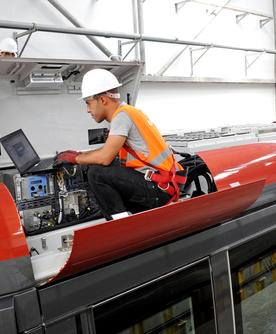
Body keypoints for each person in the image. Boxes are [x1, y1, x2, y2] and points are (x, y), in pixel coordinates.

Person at [55, 69, 186, 220]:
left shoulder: (121, 117)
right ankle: (122, 216)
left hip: (160, 188)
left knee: (96, 173)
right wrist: (80, 155)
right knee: (102, 168)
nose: (87, 110)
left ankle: (119, 224)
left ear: (103, 100)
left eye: (88, 103)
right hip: (165, 183)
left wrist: (75, 158)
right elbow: (108, 151)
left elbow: (105, 157)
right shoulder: (129, 112)